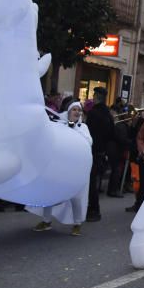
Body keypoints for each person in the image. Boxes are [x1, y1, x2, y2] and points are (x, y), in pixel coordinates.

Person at [31, 101, 91, 236]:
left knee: (76, 197)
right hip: (60, 167)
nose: (77, 112)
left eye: (79, 110)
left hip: (76, 169)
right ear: (69, 112)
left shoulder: (83, 127)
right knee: (49, 193)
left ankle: (77, 224)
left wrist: (74, 130)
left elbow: (88, 142)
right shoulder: (59, 125)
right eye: (74, 109)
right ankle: (46, 221)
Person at [83, 87, 114, 222]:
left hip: (92, 151)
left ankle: (93, 210)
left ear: (95, 97)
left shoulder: (93, 113)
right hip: (102, 151)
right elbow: (111, 133)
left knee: (90, 182)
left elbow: (88, 133)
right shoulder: (108, 113)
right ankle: (93, 209)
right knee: (93, 181)